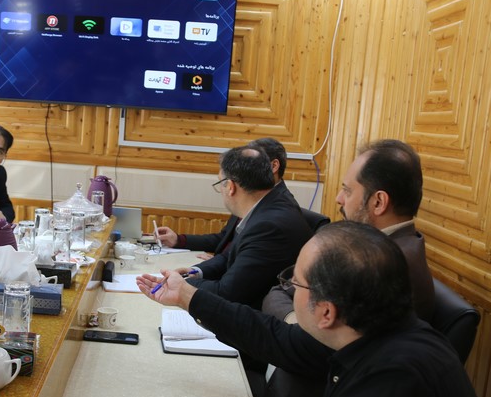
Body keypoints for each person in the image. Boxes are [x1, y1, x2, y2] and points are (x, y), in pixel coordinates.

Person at [136, 222, 491, 397]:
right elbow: (275, 337)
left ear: (326, 312)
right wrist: (188, 296)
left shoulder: (387, 388)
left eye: (295, 283)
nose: (290, 288)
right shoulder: (382, 331)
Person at [262, 139, 434, 323]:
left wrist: (298, 324)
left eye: (348, 191)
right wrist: (295, 316)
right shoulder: (368, 241)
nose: (339, 198)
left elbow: (324, 333)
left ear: (378, 202)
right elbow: (282, 288)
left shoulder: (382, 267)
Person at [171, 146, 311, 311]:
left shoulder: (267, 226)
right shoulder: (265, 208)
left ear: (230, 187)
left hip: (258, 315)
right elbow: (230, 255)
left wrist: (182, 284)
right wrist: (195, 272)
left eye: (220, 183)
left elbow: (227, 293)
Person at [156, 138, 296, 259]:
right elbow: (225, 238)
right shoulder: (248, 193)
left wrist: (219, 265)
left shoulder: (278, 208)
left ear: (274, 166)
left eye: (255, 161)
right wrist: (178, 240)